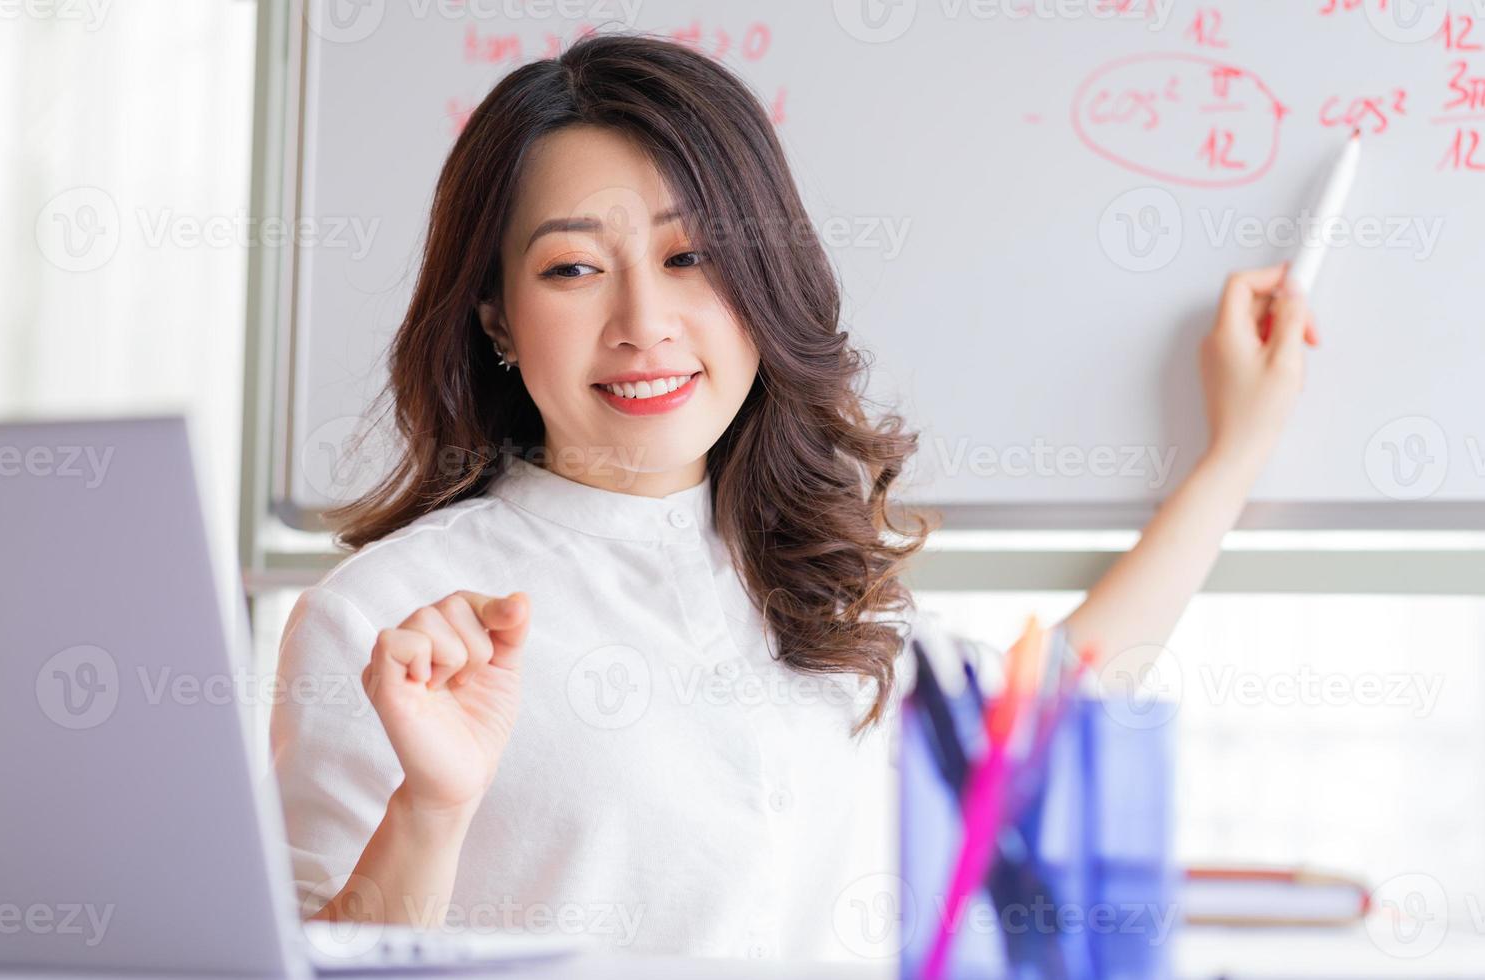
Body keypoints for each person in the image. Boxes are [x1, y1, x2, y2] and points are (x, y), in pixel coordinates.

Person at [269, 31, 1317, 962]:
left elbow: (1042, 714)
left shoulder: (816, 576)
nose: (645, 322)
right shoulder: (388, 620)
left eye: (692, 257)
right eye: (574, 269)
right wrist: (432, 808)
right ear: (496, 314)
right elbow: (316, 958)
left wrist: (1234, 454)